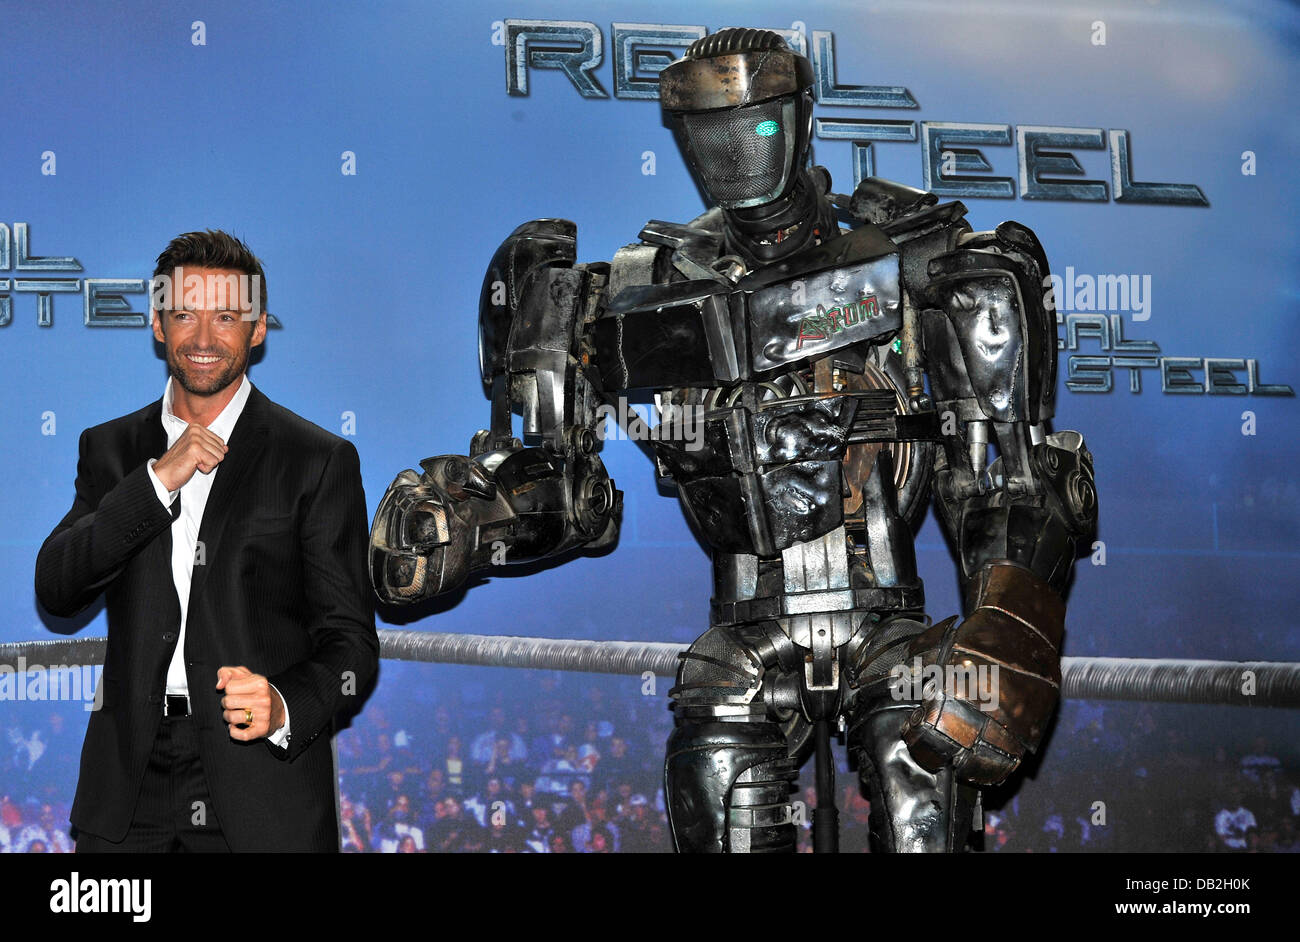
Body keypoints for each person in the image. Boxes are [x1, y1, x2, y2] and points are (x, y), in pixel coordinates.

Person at [34, 229, 378, 852]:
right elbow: (57, 588)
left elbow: (350, 643)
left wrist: (281, 703)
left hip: (259, 787)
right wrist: (155, 480)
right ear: (159, 324)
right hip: (127, 786)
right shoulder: (109, 450)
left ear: (257, 329)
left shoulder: (317, 459)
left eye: (226, 316)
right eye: (184, 314)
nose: (202, 338)